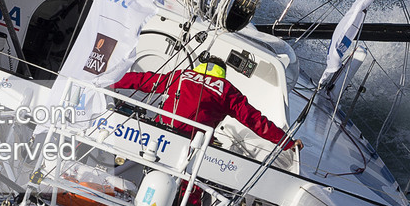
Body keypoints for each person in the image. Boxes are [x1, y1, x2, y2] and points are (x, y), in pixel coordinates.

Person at [111, 54, 299, 151]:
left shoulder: (181, 76)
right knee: (192, 184)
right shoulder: (227, 89)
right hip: (194, 145)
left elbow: (142, 80)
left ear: (201, 67)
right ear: (222, 73)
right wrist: (285, 142)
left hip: (160, 137)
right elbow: (254, 119)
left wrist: (110, 81)